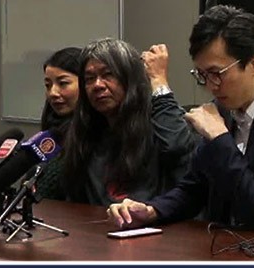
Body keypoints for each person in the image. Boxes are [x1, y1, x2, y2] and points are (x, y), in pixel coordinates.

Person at [107, 5, 254, 233]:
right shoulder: (224, 106)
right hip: (227, 241)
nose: (210, 86)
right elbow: (195, 187)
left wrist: (220, 138)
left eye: (217, 74)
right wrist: (152, 211)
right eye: (202, 75)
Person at [57, 39, 191, 206]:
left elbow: (176, 146)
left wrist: (158, 81)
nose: (97, 85)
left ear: (129, 79)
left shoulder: (160, 124)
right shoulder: (85, 134)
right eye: (89, 79)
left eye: (108, 74)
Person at [35, 47, 81, 200]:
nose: (53, 93)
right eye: (48, 85)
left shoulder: (97, 136)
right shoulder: (52, 133)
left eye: (63, 83)